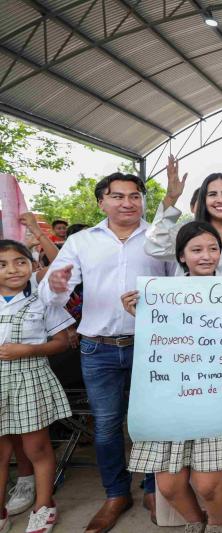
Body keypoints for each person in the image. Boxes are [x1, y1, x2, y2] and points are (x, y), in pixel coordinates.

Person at [39, 172, 173, 532]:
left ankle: (150, 489)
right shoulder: (82, 241)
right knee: (106, 428)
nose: (127, 203)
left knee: (150, 424)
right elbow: (51, 296)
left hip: (151, 346)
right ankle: (115, 494)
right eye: (117, 196)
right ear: (102, 202)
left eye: (134, 196)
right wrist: (54, 285)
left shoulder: (161, 237)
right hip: (98, 348)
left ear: (143, 201)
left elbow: (182, 287)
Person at [121, 222, 222, 533]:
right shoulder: (159, 295)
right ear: (181, 256)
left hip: (215, 400)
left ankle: (216, 524)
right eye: (196, 250)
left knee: (207, 484)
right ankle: (195, 522)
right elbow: (160, 341)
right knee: (168, 484)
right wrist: (138, 312)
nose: (206, 256)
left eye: (212, 249)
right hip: (170, 402)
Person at [0, 240, 75, 533]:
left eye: (20, 261)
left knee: (37, 447)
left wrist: (28, 350)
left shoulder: (43, 301)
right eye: (2, 265)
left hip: (30, 378)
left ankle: (44, 505)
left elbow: (63, 342)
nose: (12, 270)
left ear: (32, 265)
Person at [145, 155, 222, 276]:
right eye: (212, 194)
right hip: (191, 295)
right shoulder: (185, 231)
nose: (220, 199)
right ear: (203, 200)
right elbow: (154, 247)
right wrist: (171, 198)